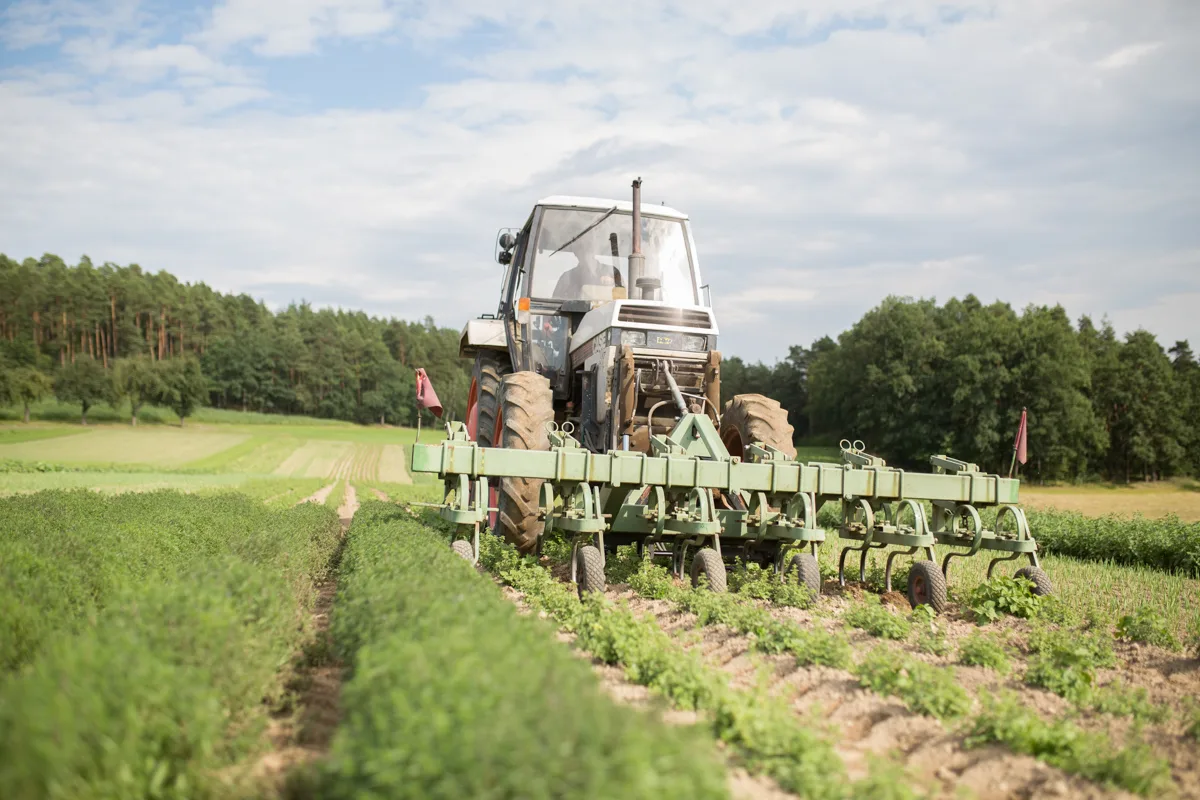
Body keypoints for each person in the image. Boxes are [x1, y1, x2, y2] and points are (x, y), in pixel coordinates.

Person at [551, 238, 624, 299]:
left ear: (595, 250)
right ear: (575, 253)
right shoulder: (566, 277)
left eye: (589, 246)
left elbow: (623, 298)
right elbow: (554, 305)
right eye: (580, 247)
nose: (585, 251)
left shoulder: (612, 271)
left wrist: (611, 285)